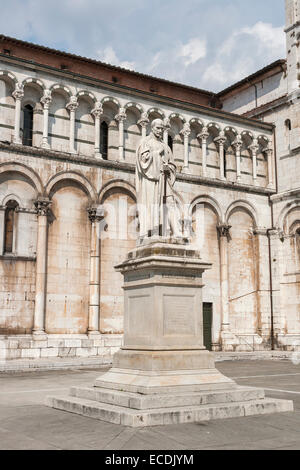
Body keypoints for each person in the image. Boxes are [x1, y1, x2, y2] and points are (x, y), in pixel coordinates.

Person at [136, 118, 182, 240]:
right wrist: (156, 153)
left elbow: (172, 164)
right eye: (158, 128)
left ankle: (176, 232)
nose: (160, 131)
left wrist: (169, 168)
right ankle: (153, 232)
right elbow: (143, 161)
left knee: (170, 203)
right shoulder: (145, 142)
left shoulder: (165, 147)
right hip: (151, 180)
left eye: (162, 128)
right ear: (152, 128)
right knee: (153, 204)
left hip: (164, 179)